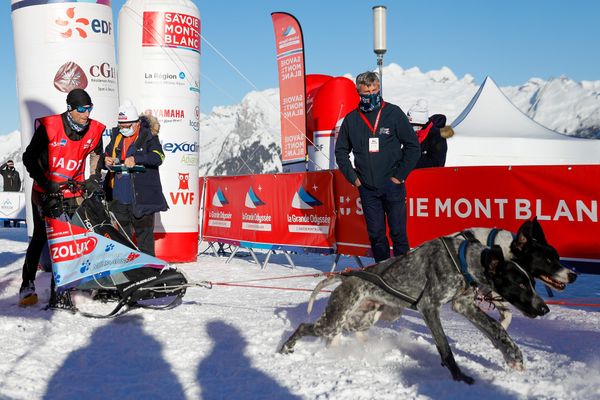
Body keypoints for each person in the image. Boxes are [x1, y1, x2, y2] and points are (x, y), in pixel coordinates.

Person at [19, 88, 105, 307]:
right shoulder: (50, 127)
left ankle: (80, 280)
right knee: (41, 237)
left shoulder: (94, 129)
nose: (87, 114)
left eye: (89, 108)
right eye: (82, 109)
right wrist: (45, 181)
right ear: (70, 109)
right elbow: (29, 157)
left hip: (74, 190)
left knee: (80, 234)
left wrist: (94, 177)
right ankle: (27, 283)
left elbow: (97, 154)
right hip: (45, 190)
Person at [335, 71, 421, 262]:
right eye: (366, 93)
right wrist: (354, 179)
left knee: (398, 234)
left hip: (392, 185)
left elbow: (413, 146)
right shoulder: (352, 119)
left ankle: (403, 273)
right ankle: (382, 272)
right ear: (358, 92)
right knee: (376, 235)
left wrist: (399, 176)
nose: (371, 95)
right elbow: (340, 152)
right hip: (367, 188)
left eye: (374, 90)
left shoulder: (393, 113)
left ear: (379, 88)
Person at [103, 101, 168, 256]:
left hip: (141, 198)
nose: (124, 129)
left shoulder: (149, 137)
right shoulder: (116, 136)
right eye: (121, 125)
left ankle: (149, 271)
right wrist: (107, 160)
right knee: (123, 241)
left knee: (144, 240)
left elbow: (158, 157)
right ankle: (127, 272)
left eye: (127, 126)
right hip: (119, 196)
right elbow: (106, 154)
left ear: (137, 123)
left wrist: (137, 158)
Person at [407, 99, 454, 169]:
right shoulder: (414, 134)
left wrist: (408, 162)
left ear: (421, 125)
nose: (411, 129)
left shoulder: (437, 137)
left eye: (413, 126)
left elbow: (437, 164)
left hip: (428, 176)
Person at [1, 160, 22, 227]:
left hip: (15, 194)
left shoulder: (16, 173)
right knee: (7, 209)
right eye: (9, 164)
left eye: (12, 164)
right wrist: (5, 164)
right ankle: (7, 224)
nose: (11, 165)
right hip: (7, 194)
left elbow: (19, 182)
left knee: (15, 209)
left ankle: (16, 223)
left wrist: (17, 190)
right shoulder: (4, 172)